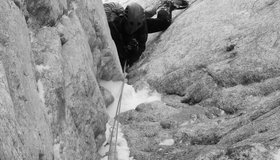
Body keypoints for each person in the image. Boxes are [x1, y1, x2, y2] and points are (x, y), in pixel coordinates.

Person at [104, 0, 189, 70]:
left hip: (138, 22)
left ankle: (165, 5)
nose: (131, 30)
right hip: (118, 17)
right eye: (129, 27)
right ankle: (149, 12)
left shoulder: (142, 26)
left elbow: (141, 47)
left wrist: (135, 50)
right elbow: (120, 55)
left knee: (164, 22)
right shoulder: (114, 25)